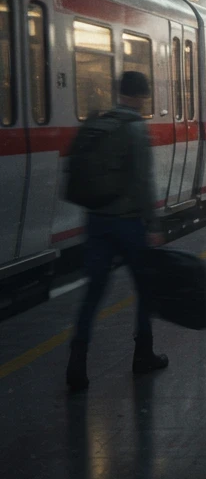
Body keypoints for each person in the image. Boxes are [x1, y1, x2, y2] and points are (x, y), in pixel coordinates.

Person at [65, 71, 168, 392]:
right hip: (128, 223)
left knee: (94, 291)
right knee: (145, 287)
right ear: (139, 97)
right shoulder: (135, 128)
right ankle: (143, 354)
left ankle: (76, 364)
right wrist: (152, 225)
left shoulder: (97, 122)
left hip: (96, 221)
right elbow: (143, 182)